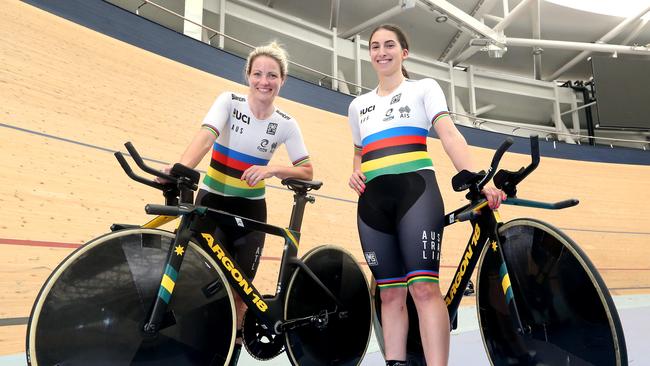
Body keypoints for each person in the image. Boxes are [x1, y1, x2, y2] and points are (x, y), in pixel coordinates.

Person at [347, 24, 504, 366]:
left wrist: (478, 178)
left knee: (423, 289)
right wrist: (355, 170)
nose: (381, 51)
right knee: (389, 294)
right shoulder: (358, 105)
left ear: (404, 52)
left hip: (415, 193)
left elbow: (448, 133)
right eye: (375, 46)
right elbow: (360, 152)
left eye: (390, 45)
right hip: (372, 202)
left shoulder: (423, 88)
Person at [164, 42, 313, 365]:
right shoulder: (228, 102)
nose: (264, 81)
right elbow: (205, 136)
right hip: (212, 204)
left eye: (272, 75)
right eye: (257, 73)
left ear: (282, 80)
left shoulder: (286, 123)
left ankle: (231, 352)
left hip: (250, 212)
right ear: (247, 75)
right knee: (201, 282)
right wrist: (181, 169)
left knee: (241, 290)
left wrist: (273, 168)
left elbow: (306, 169)